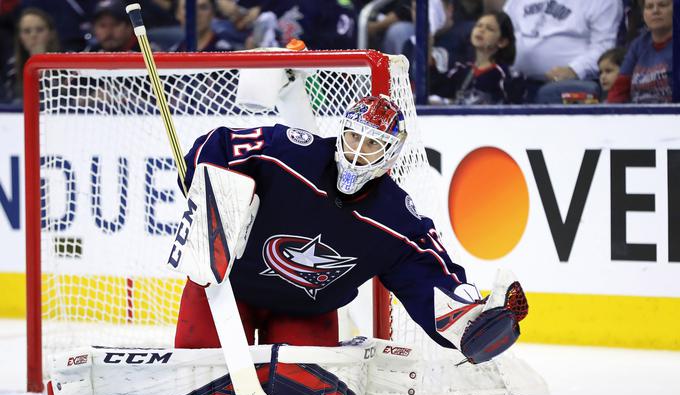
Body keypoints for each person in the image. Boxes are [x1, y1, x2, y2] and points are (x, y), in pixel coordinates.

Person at [174, 95, 528, 363]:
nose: (357, 152)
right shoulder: (289, 153)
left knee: (305, 394)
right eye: (352, 137)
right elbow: (217, 145)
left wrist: (473, 325)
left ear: (391, 153)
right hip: (225, 292)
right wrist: (213, 194)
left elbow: (430, 278)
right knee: (192, 377)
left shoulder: (396, 220)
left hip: (305, 312)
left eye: (372, 143)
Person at [492, 0, 623, 103]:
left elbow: (605, 47)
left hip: (568, 87)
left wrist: (574, 70)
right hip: (515, 83)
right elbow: (503, 30)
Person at [429, 11, 516, 104]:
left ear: (502, 42)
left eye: (490, 29)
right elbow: (437, 87)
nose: (481, 30)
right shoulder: (462, 69)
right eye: (478, 25)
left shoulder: (502, 75)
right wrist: (429, 54)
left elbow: (509, 108)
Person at [607, 0, 673, 103]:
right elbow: (619, 91)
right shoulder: (638, 45)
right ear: (643, 14)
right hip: (637, 115)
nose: (655, 11)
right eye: (649, 7)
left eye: (662, 5)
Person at [2, 7, 60, 103]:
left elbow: (64, 101)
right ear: (20, 37)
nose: (33, 35)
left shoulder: (66, 66)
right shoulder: (11, 67)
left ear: (51, 34)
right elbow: (11, 99)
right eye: (27, 31)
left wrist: (42, 66)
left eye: (40, 30)